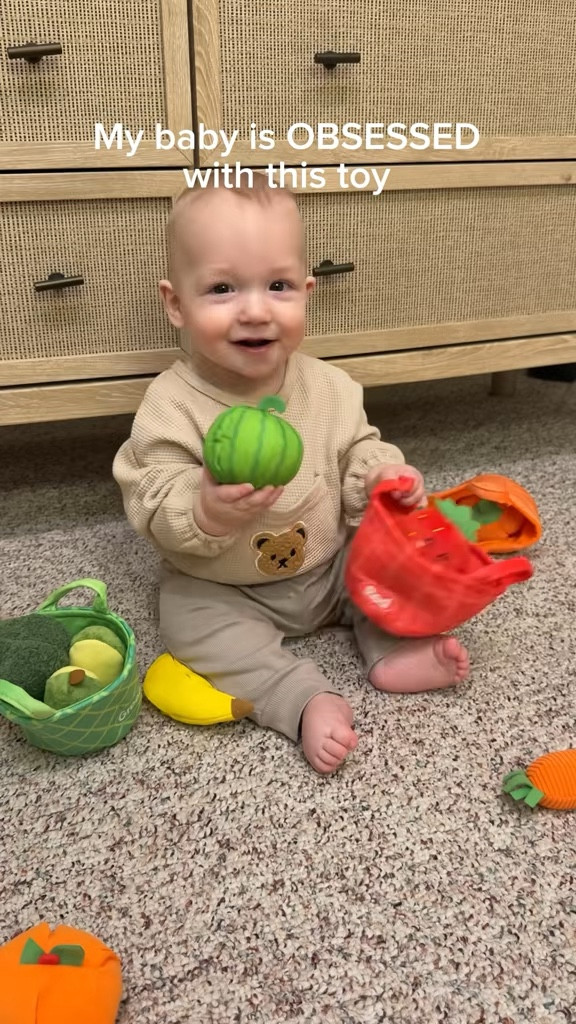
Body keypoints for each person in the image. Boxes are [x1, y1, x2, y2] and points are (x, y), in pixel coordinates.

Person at [113, 172, 469, 774]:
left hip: (329, 564)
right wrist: (201, 509)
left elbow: (360, 446)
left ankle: (390, 649)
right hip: (224, 586)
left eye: (277, 285)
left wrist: (382, 479)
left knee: (383, 565)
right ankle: (298, 697)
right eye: (223, 288)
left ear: (306, 292)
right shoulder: (170, 404)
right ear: (176, 304)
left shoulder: (330, 387)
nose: (255, 310)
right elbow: (150, 491)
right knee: (184, 618)